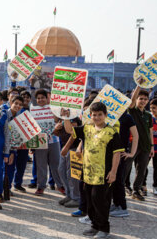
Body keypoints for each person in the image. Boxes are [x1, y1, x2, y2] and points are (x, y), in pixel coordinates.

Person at [62, 102, 124, 238]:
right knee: (90, 200)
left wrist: (113, 172)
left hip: (103, 174)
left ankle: (103, 229)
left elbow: (117, 153)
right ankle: (94, 226)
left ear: (105, 115)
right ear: (90, 115)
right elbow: (69, 131)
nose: (96, 117)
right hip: (88, 173)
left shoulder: (112, 132)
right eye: (94, 115)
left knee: (101, 201)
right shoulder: (87, 128)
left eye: (99, 115)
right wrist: (66, 118)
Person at [33, 89, 64, 196]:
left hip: (54, 140)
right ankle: (41, 187)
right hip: (40, 141)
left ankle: (60, 185)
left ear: (47, 99)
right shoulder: (33, 110)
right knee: (41, 165)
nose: (40, 100)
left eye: (43, 97)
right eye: (38, 98)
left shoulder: (53, 109)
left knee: (56, 164)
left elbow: (58, 121)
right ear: (36, 100)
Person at [125, 86, 154, 201]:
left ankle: (136, 190)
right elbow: (131, 102)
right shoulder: (132, 111)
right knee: (127, 167)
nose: (142, 101)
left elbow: (150, 131)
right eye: (140, 98)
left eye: (145, 99)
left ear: (148, 101)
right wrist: (138, 86)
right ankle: (123, 186)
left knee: (141, 169)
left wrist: (152, 146)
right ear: (136, 99)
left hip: (145, 146)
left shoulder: (148, 115)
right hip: (132, 145)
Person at [109, 111, 139, 217]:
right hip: (108, 153)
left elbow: (135, 135)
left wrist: (131, 153)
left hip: (120, 153)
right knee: (112, 180)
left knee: (118, 180)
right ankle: (116, 203)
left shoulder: (126, 117)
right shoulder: (106, 114)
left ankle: (122, 206)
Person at [55, 116, 82, 208]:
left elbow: (73, 133)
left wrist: (66, 147)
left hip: (73, 149)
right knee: (61, 171)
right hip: (64, 150)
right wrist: (56, 129)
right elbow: (57, 134)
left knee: (72, 175)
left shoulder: (74, 119)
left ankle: (76, 198)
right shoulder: (61, 119)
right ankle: (69, 195)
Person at [4, 96, 24, 193]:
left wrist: (13, 151)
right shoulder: (3, 114)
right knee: (0, 170)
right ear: (11, 103)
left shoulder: (19, 118)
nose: (18, 106)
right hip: (1, 148)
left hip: (12, 148)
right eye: (16, 103)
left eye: (20, 105)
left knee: (10, 169)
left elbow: (16, 137)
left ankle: (7, 189)